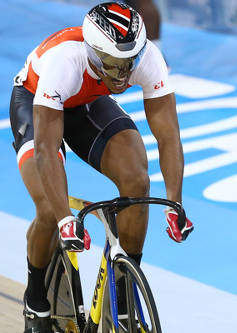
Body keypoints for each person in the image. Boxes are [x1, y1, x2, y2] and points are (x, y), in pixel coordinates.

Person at [10, 2, 193, 332]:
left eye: (129, 62)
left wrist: (175, 202)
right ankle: (35, 303)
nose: (123, 74)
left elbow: (168, 137)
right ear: (93, 53)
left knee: (137, 180)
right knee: (50, 208)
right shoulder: (65, 60)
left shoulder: (147, 58)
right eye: (113, 64)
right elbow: (47, 149)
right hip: (36, 101)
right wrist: (66, 219)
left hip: (86, 102)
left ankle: (124, 299)